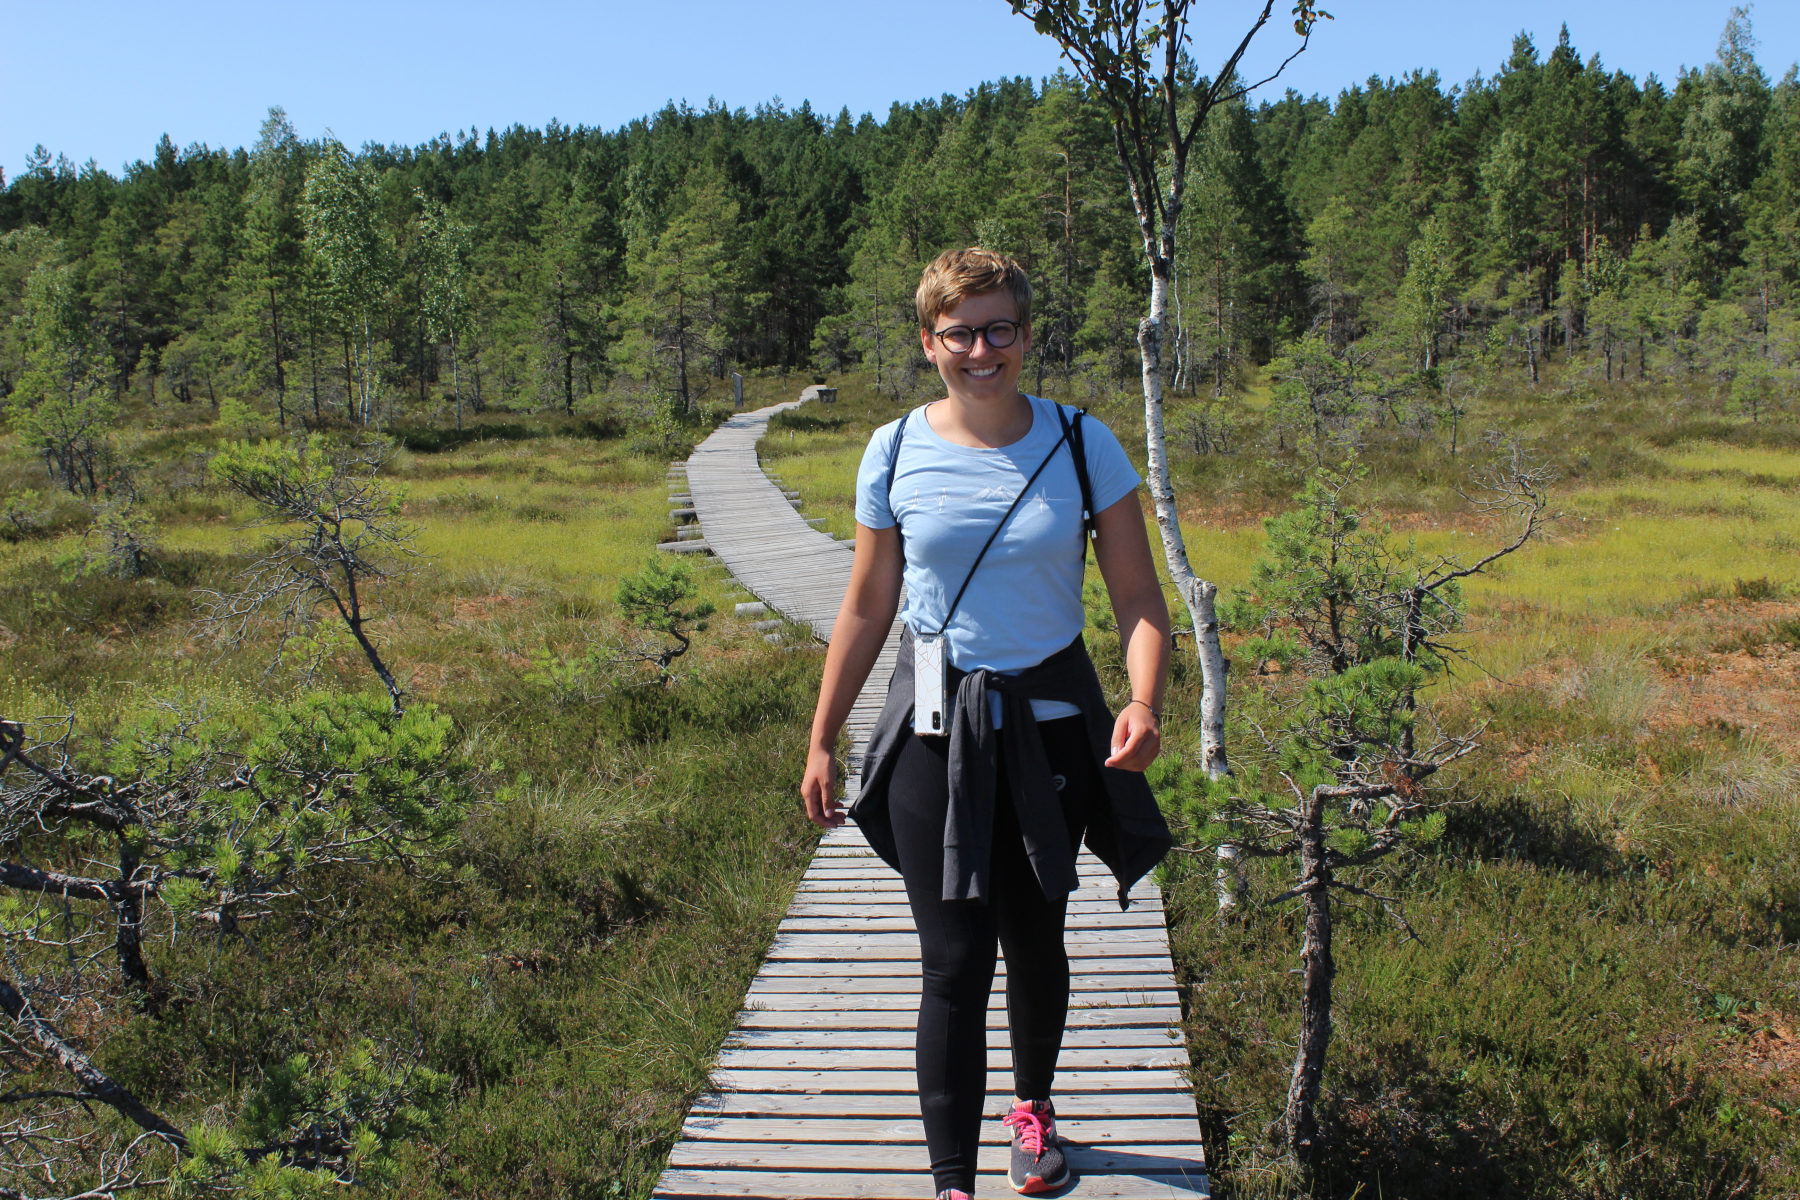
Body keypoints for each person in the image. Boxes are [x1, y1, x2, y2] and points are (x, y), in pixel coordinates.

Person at [800, 247, 1175, 1199]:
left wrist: (1143, 700)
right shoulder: (892, 451)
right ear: (929, 343)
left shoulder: (1083, 443)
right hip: (934, 732)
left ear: (1026, 335)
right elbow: (866, 604)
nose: (982, 350)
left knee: (1035, 939)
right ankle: (952, 1179)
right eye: (960, 333)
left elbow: (1138, 595)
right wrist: (822, 737)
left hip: (1052, 731)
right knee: (954, 960)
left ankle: (1032, 1110)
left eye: (999, 328)